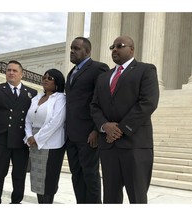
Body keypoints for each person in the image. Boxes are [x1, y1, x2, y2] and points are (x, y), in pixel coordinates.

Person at [90, 36, 160, 203]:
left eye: (119, 46)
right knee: (110, 198)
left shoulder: (146, 70)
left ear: (132, 49)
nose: (115, 49)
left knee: (137, 198)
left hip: (135, 146)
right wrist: (104, 125)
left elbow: (148, 102)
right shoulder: (103, 77)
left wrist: (120, 128)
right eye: (112, 47)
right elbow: (94, 106)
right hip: (109, 147)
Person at [0, 60, 37, 204]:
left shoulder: (31, 93)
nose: (11, 72)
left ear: (21, 74)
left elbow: (34, 117)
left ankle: (16, 202)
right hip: (0, 140)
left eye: (14, 70)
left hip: (21, 141)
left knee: (19, 175)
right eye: (8, 70)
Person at [65, 37, 110, 203]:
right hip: (71, 135)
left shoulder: (98, 68)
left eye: (76, 48)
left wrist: (97, 130)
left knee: (90, 175)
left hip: (89, 135)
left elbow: (103, 100)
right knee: (76, 175)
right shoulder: (71, 73)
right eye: (71, 48)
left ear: (88, 51)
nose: (72, 51)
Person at [24, 69, 66, 204]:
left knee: (48, 182)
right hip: (34, 144)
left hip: (51, 145)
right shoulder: (36, 98)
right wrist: (29, 135)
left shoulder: (61, 98)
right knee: (37, 180)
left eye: (50, 78)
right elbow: (28, 120)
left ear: (57, 82)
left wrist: (37, 138)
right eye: (44, 77)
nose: (45, 80)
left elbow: (56, 121)